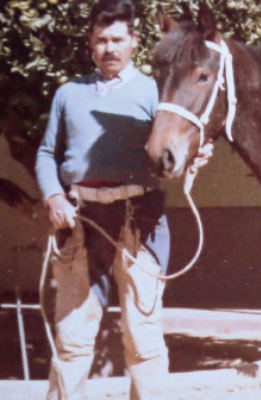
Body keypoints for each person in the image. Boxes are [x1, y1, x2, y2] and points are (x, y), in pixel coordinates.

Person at [35, 1, 212, 398]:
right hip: (80, 220)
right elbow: (48, 153)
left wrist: (193, 155)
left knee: (144, 339)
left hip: (139, 219)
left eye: (118, 39)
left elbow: (172, 147)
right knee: (73, 338)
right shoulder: (69, 94)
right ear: (90, 44)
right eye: (101, 40)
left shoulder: (155, 91)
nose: (109, 48)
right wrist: (52, 196)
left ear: (134, 40)